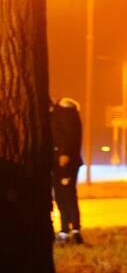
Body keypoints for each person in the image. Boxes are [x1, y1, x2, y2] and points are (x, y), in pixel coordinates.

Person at [51, 97, 84, 244]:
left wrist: (64, 154)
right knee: (67, 195)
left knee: (64, 196)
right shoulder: (66, 114)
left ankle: (67, 231)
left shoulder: (63, 113)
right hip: (64, 161)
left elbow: (70, 137)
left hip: (64, 162)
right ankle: (73, 230)